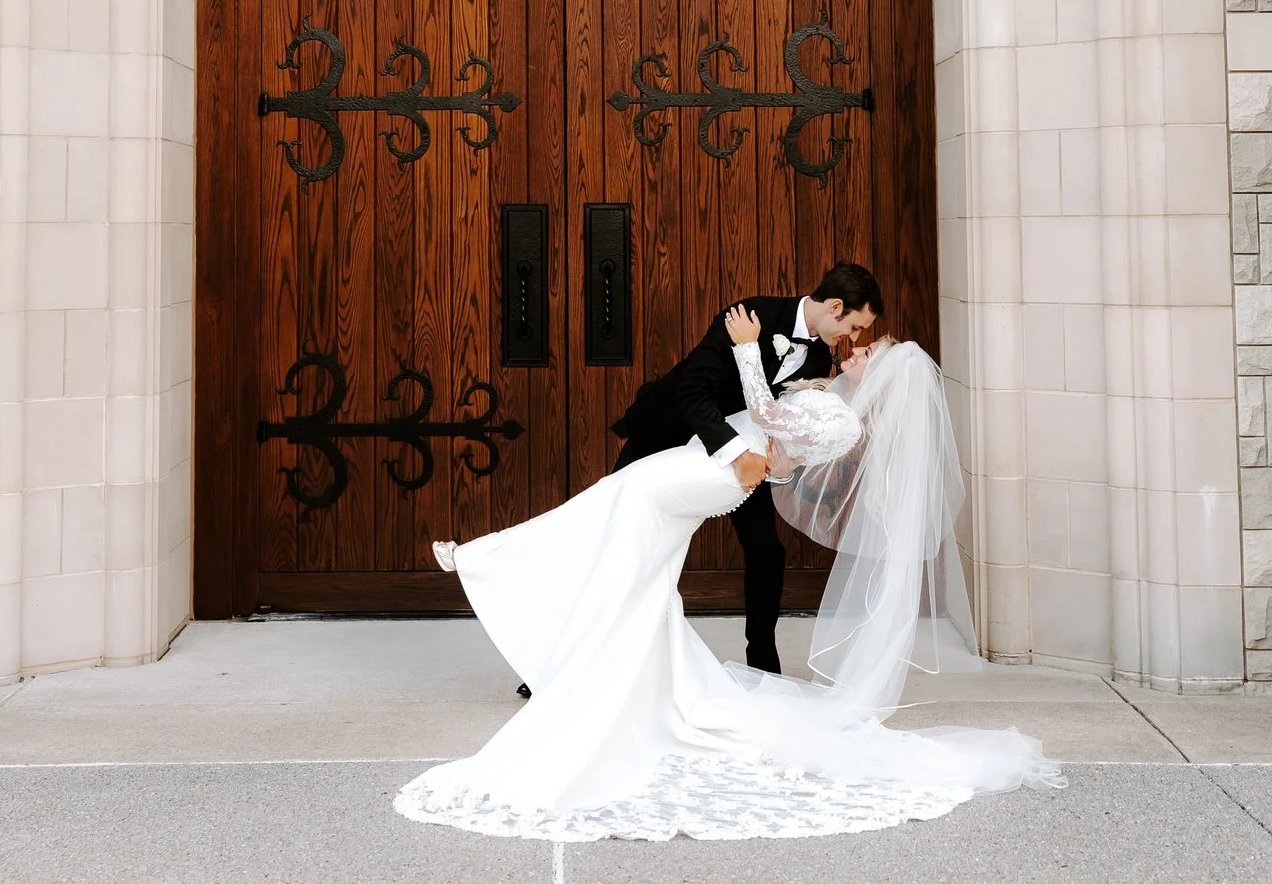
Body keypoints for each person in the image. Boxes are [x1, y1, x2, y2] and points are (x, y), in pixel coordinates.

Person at [395, 308, 1061, 841]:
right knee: (631, 547)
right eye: (856, 342)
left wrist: (747, 346)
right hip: (713, 462)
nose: (854, 351)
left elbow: (770, 419)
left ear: (883, 375)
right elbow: (780, 452)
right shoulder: (831, 401)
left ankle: (492, 567)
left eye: (868, 351)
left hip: (712, 468)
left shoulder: (840, 416)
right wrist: (770, 448)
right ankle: (555, 629)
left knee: (618, 504)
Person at [606, 262, 880, 673]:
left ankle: (763, 664)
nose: (854, 338)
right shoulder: (749, 317)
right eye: (856, 327)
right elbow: (692, 390)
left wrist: (779, 468)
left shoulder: (821, 355)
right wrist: (737, 455)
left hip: (741, 460)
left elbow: (783, 427)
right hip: (668, 438)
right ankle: (560, 663)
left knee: (766, 550)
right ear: (836, 307)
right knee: (618, 545)